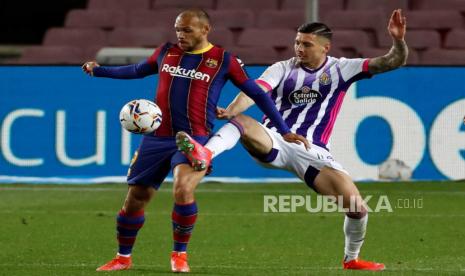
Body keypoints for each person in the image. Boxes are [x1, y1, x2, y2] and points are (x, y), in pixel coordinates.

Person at [176, 9, 408, 271]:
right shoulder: (282, 69)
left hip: (313, 151)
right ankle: (205, 154)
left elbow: (392, 62)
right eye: (297, 42)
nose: (299, 48)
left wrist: (398, 41)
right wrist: (233, 108)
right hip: (275, 138)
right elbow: (255, 91)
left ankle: (351, 259)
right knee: (242, 122)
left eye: (307, 44)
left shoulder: (343, 69)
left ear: (325, 48)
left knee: (357, 208)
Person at [82, 9, 308, 273]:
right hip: (157, 137)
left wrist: (283, 129)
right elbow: (137, 69)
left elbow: (257, 93)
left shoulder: (224, 60)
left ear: (205, 30)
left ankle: (179, 254)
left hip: (194, 138)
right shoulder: (166, 51)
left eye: (187, 30)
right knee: (135, 198)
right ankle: (123, 257)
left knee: (183, 189)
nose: (180, 35)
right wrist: (100, 71)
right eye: (178, 29)